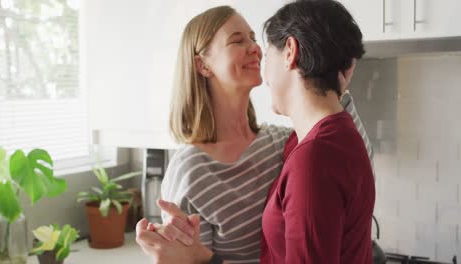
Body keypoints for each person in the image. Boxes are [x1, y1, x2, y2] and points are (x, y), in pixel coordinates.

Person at [136, 2, 374, 263]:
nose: (256, 48)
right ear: (202, 65)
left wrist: (334, 78)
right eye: (237, 41)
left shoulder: (285, 143)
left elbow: (351, 156)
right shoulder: (190, 171)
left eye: (253, 38)